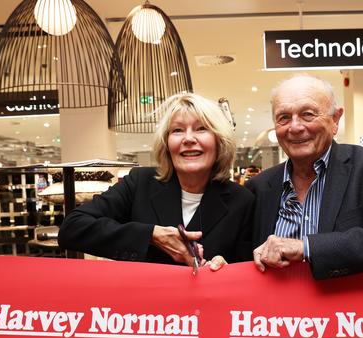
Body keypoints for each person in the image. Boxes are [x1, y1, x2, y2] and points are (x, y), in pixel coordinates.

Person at [245, 74, 363, 280]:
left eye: (308, 114)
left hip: (347, 310)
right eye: (284, 117)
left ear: (335, 120)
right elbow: (244, 259)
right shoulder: (258, 188)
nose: (295, 127)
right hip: (278, 311)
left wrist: (308, 247)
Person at [58, 93, 254, 269]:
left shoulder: (242, 201)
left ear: (219, 141)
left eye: (201, 129)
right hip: (144, 307)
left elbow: (247, 272)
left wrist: (227, 271)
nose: (188, 138)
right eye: (177, 130)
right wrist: (151, 235)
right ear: (166, 143)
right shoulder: (140, 183)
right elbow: (72, 228)